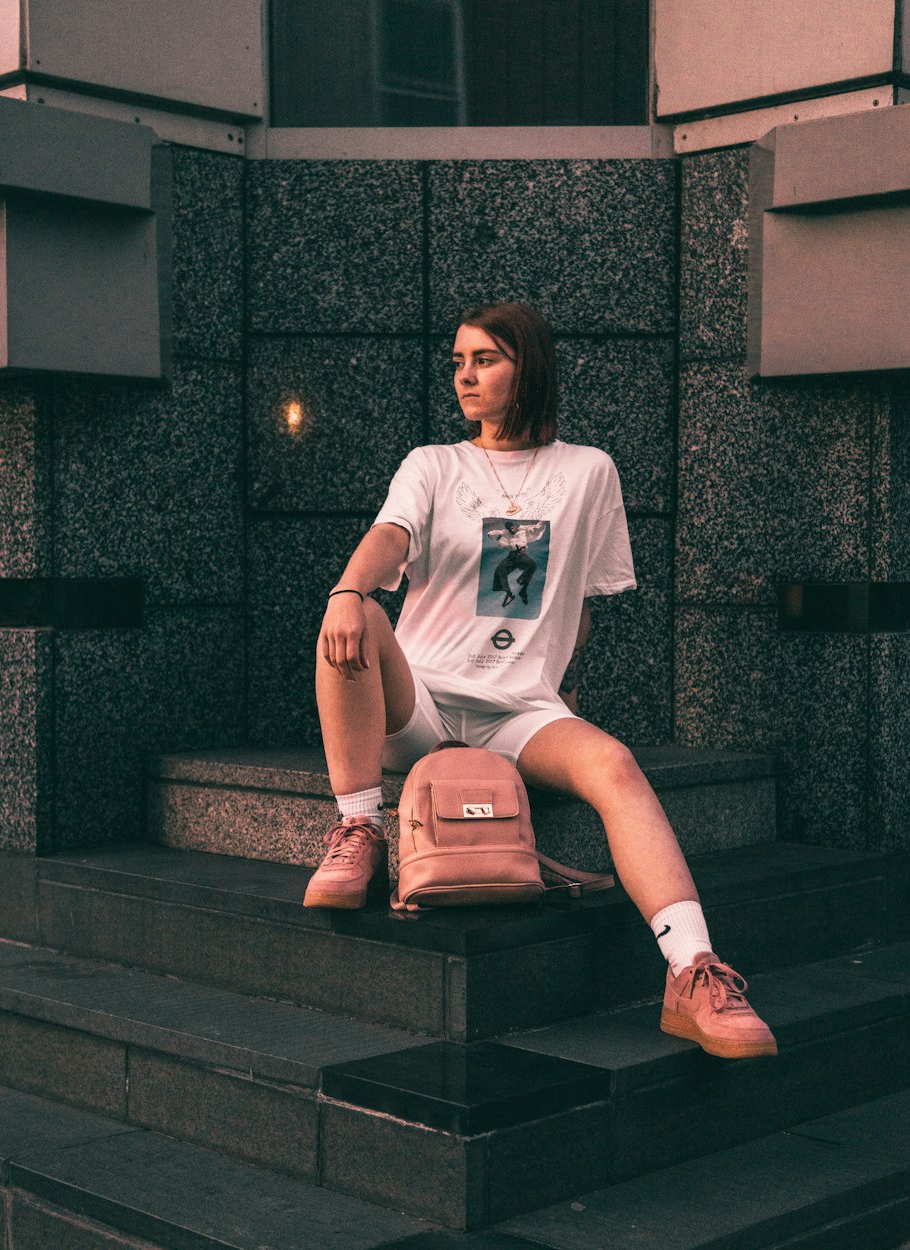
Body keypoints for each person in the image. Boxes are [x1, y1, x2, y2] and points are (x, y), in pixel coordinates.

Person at [305, 301, 777, 1061]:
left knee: (615, 765)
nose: (465, 375)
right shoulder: (434, 464)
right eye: (458, 361)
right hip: (418, 703)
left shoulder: (589, 472)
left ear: (528, 366)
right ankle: (359, 825)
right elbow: (389, 537)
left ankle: (691, 972)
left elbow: (577, 606)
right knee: (355, 619)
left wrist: (553, 687)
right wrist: (347, 592)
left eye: (484, 359)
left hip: (521, 710)